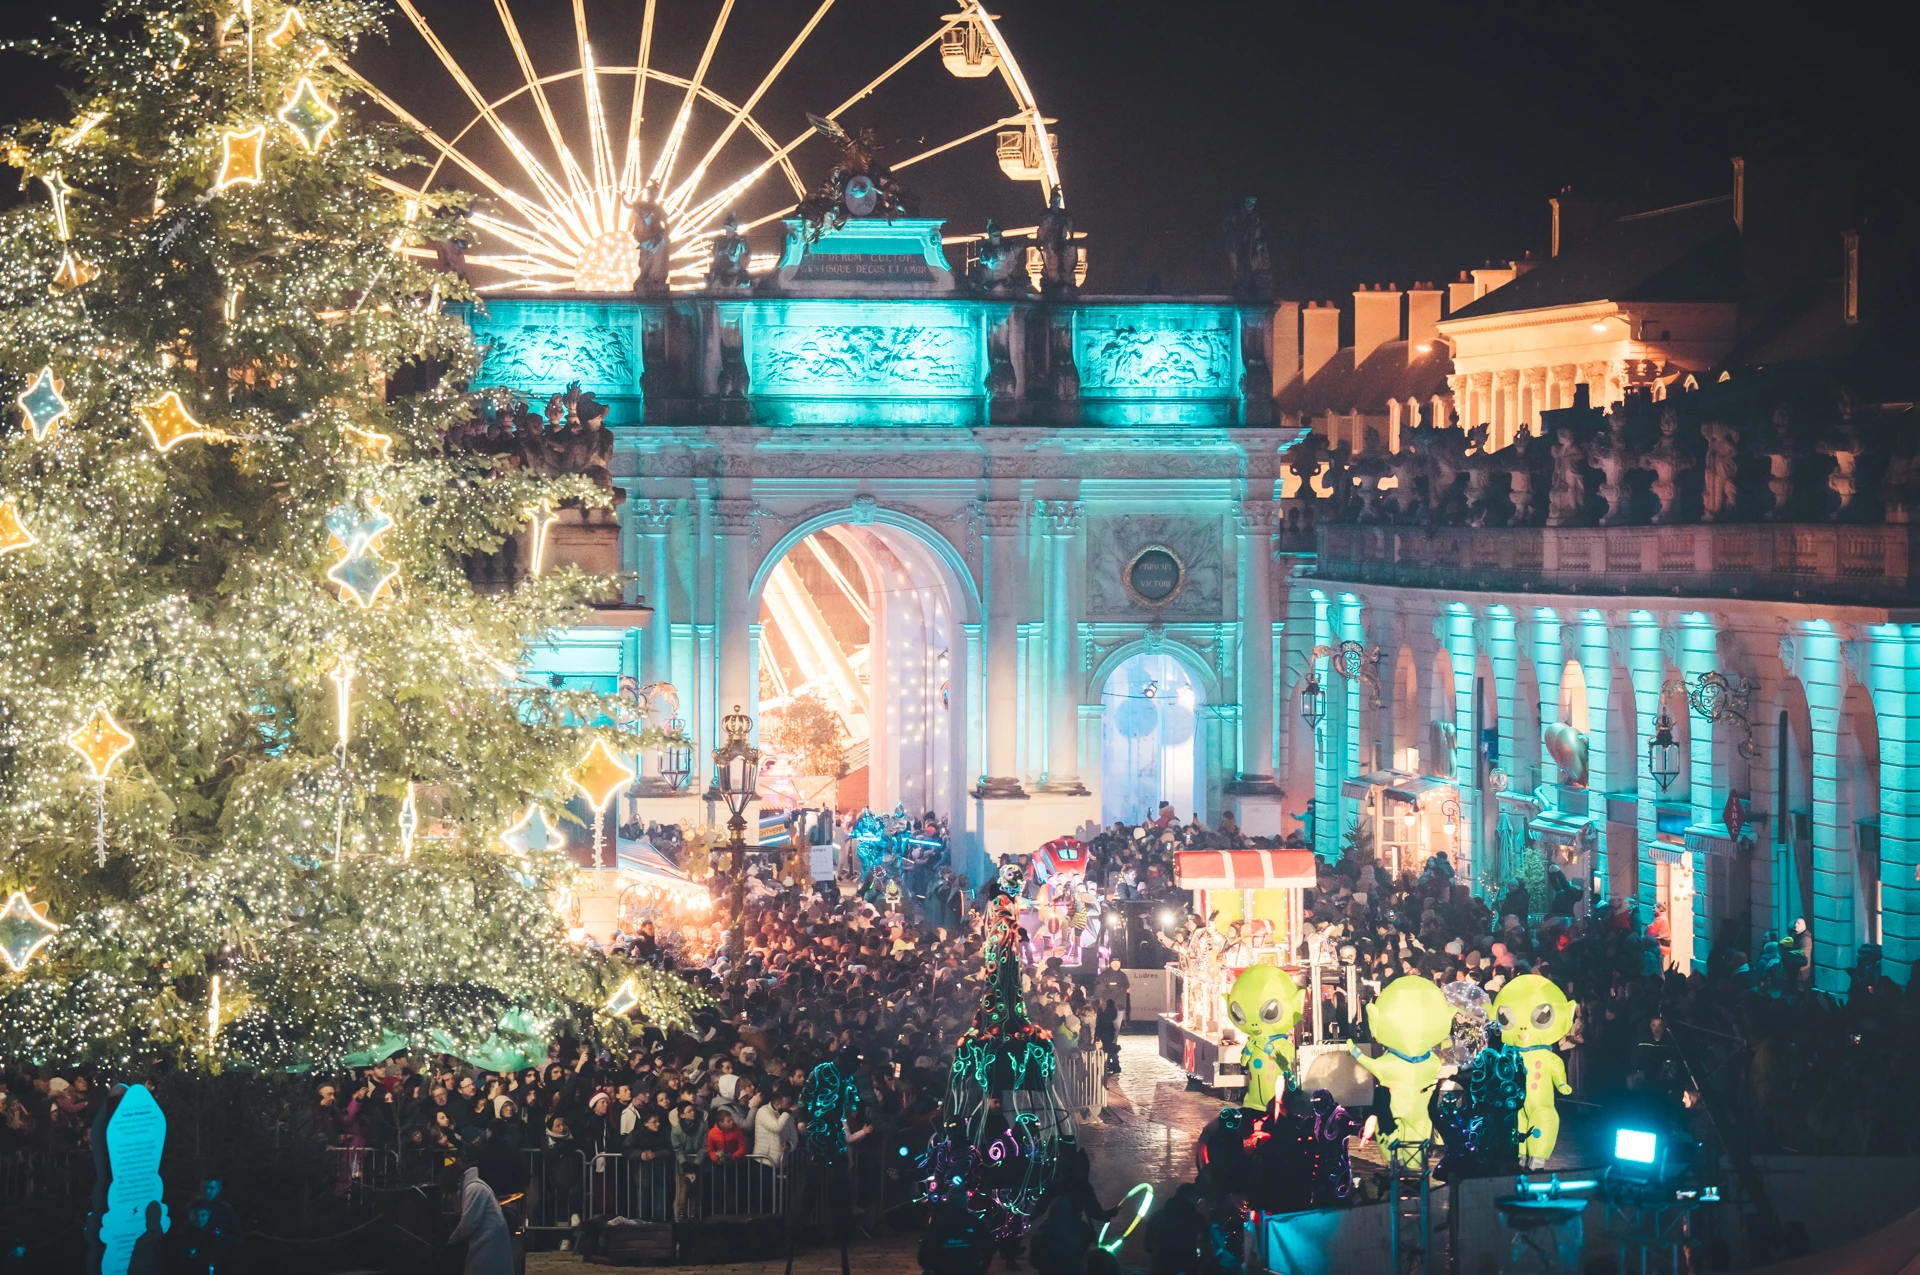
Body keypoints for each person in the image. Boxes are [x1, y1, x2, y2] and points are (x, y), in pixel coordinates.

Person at [448, 1161, 514, 1275]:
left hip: (488, 1245)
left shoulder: (473, 1189)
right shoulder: (476, 1186)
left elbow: (467, 1225)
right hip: (491, 1241)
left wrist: (451, 1240)